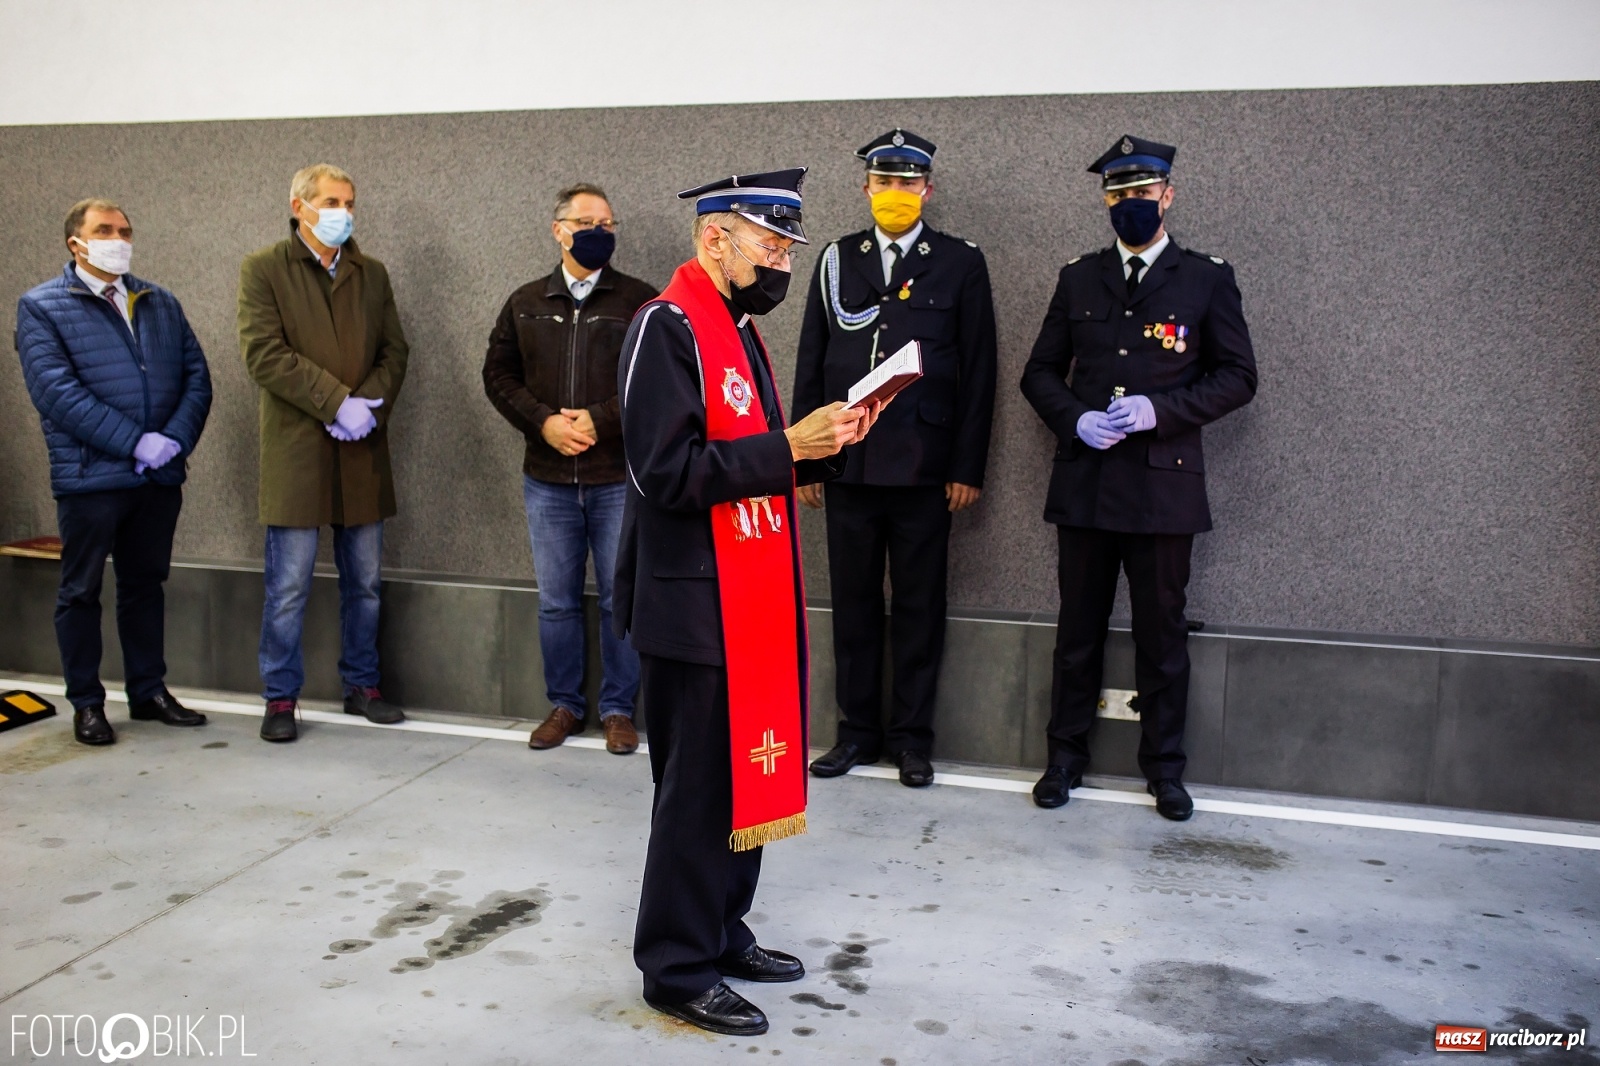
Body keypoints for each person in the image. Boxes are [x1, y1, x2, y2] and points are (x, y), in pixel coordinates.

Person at [615, 168, 885, 1035]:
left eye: (788, 249)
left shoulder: (736, 327)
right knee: (696, 795)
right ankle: (675, 967)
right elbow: (665, 474)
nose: (781, 263)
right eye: (770, 244)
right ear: (714, 237)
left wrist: (826, 444)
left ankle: (723, 930)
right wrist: (785, 448)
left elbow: (763, 459)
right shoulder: (668, 326)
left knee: (745, 781)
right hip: (694, 603)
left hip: (751, 597)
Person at [1020, 135, 1258, 821]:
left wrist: (1162, 409)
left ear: (1168, 196)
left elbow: (1239, 378)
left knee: (1163, 636)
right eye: (1117, 195)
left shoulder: (1206, 278)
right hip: (1087, 484)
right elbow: (1039, 371)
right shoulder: (1077, 277)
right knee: (1077, 634)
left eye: (1142, 194)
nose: (1130, 205)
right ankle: (1063, 760)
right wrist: (1074, 419)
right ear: (1106, 202)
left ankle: (1165, 770)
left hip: (1163, 487)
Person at [794, 128, 997, 788]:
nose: (895, 194)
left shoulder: (961, 263)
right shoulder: (834, 259)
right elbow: (812, 362)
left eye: (907, 183)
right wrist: (805, 459)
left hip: (923, 467)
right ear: (865, 188)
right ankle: (855, 733)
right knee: (852, 604)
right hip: (848, 464)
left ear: (927, 190)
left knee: (917, 604)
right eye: (884, 183)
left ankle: (912, 738)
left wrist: (967, 467)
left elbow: (980, 373)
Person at [15, 198, 213, 746]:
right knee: (80, 590)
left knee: (144, 586)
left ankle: (148, 691)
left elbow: (197, 376)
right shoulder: (41, 308)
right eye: (104, 230)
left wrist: (172, 440)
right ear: (75, 242)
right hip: (91, 478)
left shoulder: (160, 302)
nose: (118, 238)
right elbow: (57, 394)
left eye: (124, 229)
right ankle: (86, 703)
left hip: (157, 478)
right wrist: (133, 441)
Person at [483, 184, 658, 755]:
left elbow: (655, 378)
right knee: (556, 600)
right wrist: (545, 423)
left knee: (618, 598)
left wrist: (600, 421)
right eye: (586, 222)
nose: (599, 232)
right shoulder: (526, 301)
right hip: (548, 480)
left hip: (614, 479)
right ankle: (564, 705)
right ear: (558, 229)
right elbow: (498, 375)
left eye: (608, 223)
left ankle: (617, 710)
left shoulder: (639, 301)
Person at [238, 163, 410, 743]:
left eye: (350, 201)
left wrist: (367, 410)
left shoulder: (372, 273)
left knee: (364, 582)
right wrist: (337, 403)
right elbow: (264, 354)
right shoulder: (264, 270)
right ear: (299, 206)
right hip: (298, 454)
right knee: (288, 586)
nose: (344, 212)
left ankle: (362, 685)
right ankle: (280, 698)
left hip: (361, 450)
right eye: (332, 201)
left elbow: (395, 350)